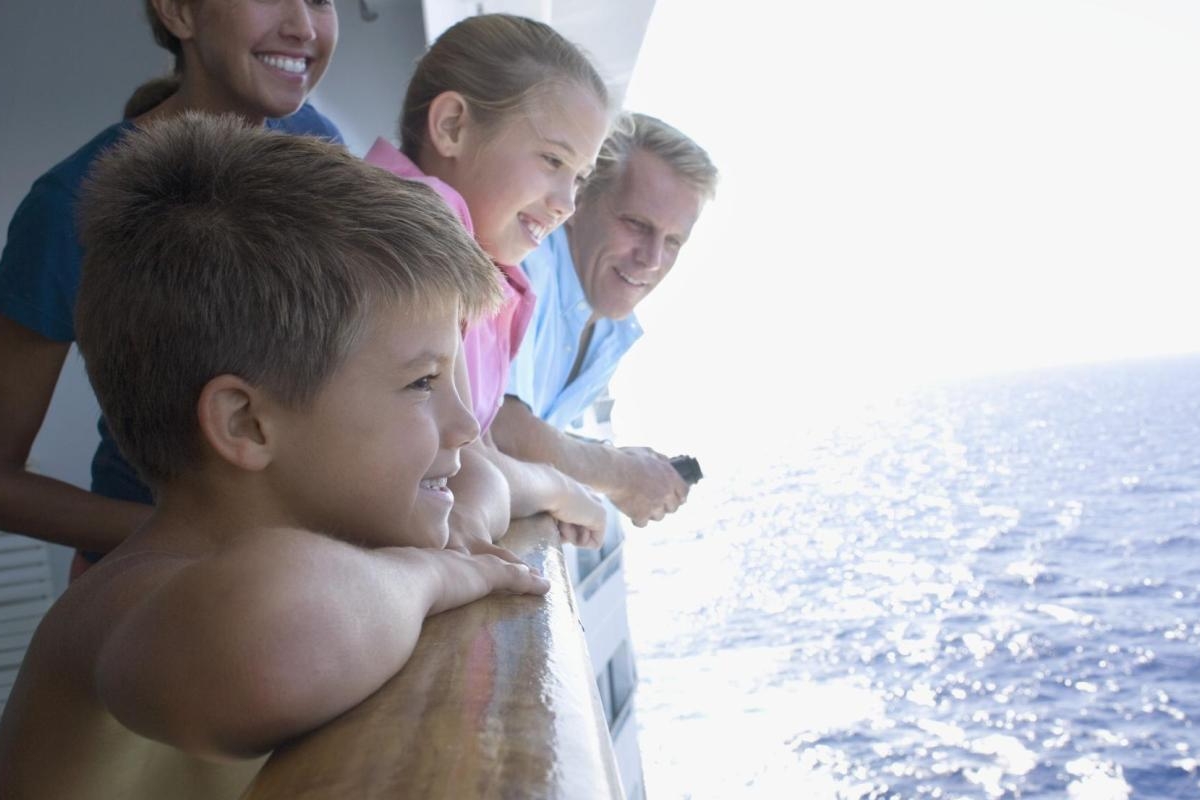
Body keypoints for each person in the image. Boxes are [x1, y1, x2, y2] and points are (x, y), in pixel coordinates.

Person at [0, 114, 550, 800]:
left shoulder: (309, 541)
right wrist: (436, 575)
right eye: (422, 383)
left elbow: (484, 476)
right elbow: (276, 641)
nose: (466, 423)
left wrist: (521, 507)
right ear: (248, 424)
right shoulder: (128, 601)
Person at [0, 0, 341, 571]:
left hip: (304, 560)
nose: (303, 27)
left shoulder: (316, 145)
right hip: (155, 582)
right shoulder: (67, 206)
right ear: (180, 12)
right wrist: (202, 536)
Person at [364, 13, 611, 552]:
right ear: (452, 125)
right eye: (552, 160)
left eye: (580, 177)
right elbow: (456, 478)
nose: (567, 203)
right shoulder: (403, 248)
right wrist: (556, 488)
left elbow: (479, 451)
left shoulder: (478, 259)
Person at [493, 112, 719, 527]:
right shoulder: (528, 269)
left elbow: (534, 434)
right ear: (577, 203)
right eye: (636, 224)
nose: (651, 260)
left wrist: (611, 471)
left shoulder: (610, 326)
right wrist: (619, 475)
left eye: (672, 242)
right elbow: (499, 428)